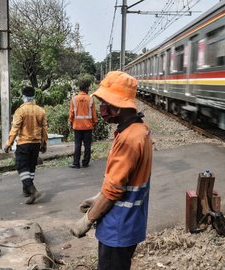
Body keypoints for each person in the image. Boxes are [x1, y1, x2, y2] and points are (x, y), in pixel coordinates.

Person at [70, 71, 153, 270]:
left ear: (117, 107)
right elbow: (124, 180)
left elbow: (114, 190)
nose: (102, 108)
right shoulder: (139, 130)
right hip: (130, 223)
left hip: (118, 227)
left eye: (104, 102)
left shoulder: (128, 139)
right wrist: (97, 197)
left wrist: (87, 220)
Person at [4, 86, 48, 204]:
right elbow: (44, 128)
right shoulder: (41, 110)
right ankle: (26, 190)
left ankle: (33, 190)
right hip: (36, 143)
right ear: (33, 96)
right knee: (31, 167)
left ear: (23, 96)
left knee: (21, 166)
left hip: (24, 142)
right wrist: (44, 143)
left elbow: (15, 128)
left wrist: (8, 143)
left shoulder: (20, 111)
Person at [68, 78, 98, 168]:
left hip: (77, 127)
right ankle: (85, 163)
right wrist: (94, 123)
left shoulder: (74, 99)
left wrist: (70, 122)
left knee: (77, 145)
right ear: (86, 88)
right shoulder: (90, 99)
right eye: (88, 87)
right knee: (87, 146)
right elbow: (94, 114)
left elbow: (71, 113)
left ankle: (76, 163)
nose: (89, 89)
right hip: (88, 127)